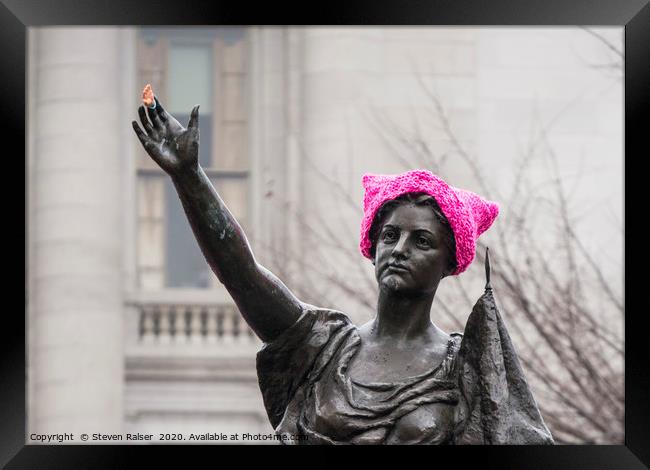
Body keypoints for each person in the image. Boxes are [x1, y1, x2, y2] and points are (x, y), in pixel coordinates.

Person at [132, 97, 554, 445]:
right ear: (373, 247)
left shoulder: (466, 370)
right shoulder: (322, 346)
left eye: (421, 241)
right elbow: (241, 274)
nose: (399, 249)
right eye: (390, 236)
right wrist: (189, 177)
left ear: (449, 263)